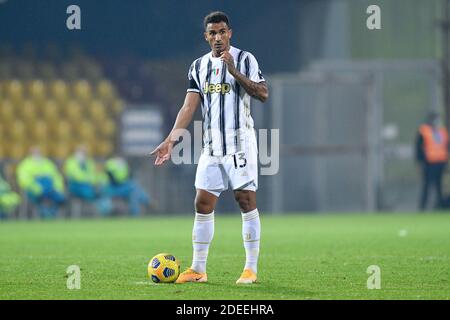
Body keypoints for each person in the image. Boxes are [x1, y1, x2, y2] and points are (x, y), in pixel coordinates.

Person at [151, 11, 268, 284]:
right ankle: (198, 269)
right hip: (212, 146)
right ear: (206, 37)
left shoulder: (245, 59)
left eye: (222, 32)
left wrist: (234, 72)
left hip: (240, 144)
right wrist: (171, 140)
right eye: (212, 33)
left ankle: (250, 269)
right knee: (202, 203)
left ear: (230, 33)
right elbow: (189, 106)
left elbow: (263, 93)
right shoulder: (198, 66)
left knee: (245, 200)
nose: (218, 37)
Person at [16, 146, 65, 218]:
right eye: (35, 152)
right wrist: (36, 188)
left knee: (60, 198)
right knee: (40, 197)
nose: (37, 154)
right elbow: (24, 179)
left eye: (38, 152)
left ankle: (51, 212)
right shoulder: (25, 164)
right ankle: (45, 213)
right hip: (35, 188)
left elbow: (56, 176)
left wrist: (58, 188)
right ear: (30, 153)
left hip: (50, 188)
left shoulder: (47, 163)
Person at [415, 111, 449, 210]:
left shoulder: (442, 132)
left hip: (441, 163)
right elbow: (418, 149)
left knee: (439, 187)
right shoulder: (424, 131)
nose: (437, 122)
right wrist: (420, 163)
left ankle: (440, 206)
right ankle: (423, 207)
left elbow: (446, 147)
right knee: (427, 186)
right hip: (429, 164)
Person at [64, 145, 110, 215]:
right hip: (75, 186)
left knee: (102, 189)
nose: (83, 154)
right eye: (81, 152)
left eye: (84, 152)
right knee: (92, 193)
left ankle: (103, 211)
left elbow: (94, 175)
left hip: (88, 186)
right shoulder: (71, 162)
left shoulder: (89, 162)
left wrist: (100, 181)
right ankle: (97, 212)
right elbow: (77, 176)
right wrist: (90, 180)